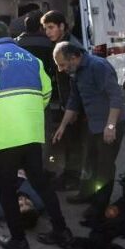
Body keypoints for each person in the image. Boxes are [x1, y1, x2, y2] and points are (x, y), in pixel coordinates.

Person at [0, 21, 72, 249]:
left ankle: (18, 240)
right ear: (10, 36)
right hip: (31, 132)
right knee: (40, 183)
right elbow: (46, 92)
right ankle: (61, 230)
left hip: (5, 134)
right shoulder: (30, 58)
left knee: (6, 189)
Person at [52, 42, 125, 221]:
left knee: (104, 167)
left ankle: (99, 206)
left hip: (111, 123)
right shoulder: (75, 72)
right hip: (94, 124)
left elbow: (116, 96)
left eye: (62, 64)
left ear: (73, 57)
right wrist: (62, 126)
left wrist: (110, 126)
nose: (61, 69)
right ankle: (85, 193)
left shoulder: (98, 66)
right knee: (89, 162)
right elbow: (74, 101)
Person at [41, 10, 86, 194]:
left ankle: (73, 178)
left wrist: (73, 109)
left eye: (51, 27)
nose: (48, 32)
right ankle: (69, 174)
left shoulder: (71, 47)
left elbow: (77, 81)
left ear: (62, 26)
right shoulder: (60, 44)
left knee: (75, 142)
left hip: (75, 104)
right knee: (69, 140)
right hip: (68, 102)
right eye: (45, 28)